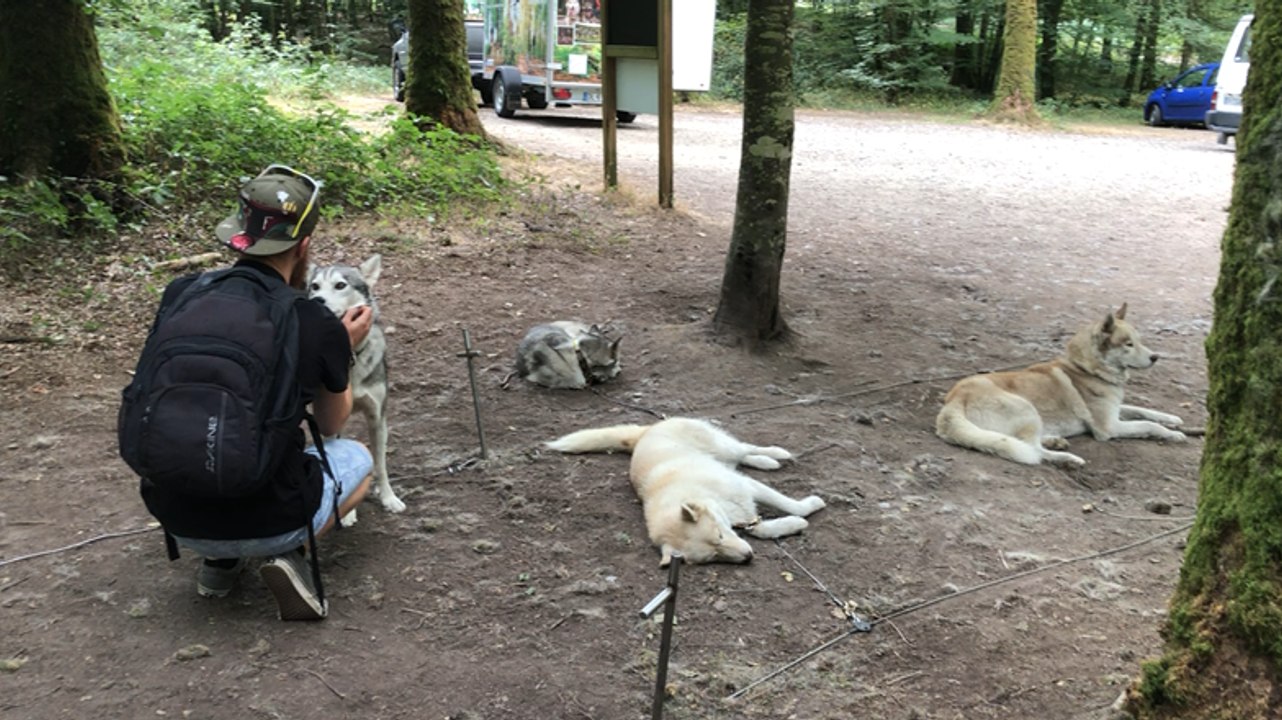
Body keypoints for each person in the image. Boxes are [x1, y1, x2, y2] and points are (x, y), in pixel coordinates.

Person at [136, 165, 375, 621]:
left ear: (236, 236)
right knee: (356, 459)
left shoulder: (180, 294)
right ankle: (288, 550)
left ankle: (218, 564)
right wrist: (343, 348)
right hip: (273, 515)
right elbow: (329, 425)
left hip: (175, 512)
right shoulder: (313, 320)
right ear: (303, 246)